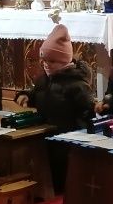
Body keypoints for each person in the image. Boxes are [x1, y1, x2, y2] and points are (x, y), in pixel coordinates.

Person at [14, 19, 94, 192]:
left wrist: (81, 141)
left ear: (65, 61)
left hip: (67, 137)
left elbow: (87, 113)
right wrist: (25, 96)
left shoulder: (77, 85)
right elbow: (36, 96)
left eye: (52, 61)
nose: (46, 65)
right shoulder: (43, 81)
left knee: (62, 175)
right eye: (44, 61)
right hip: (46, 134)